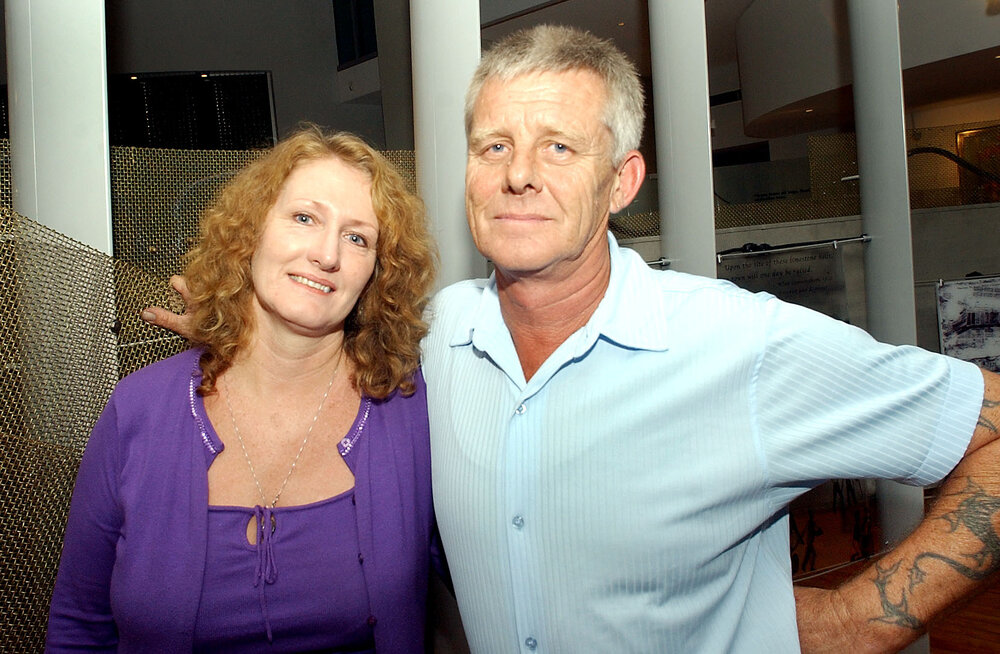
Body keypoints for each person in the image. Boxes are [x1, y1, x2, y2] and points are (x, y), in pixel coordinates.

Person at [145, 25, 1000, 653]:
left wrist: (861, 619)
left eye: (559, 146)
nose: (519, 173)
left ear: (621, 181)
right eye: (495, 145)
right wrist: (246, 335)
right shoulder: (432, 340)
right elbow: (321, 359)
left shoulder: (736, 341)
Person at [47, 125, 438, 652]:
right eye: (304, 217)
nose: (327, 254)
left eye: (357, 237)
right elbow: (80, 625)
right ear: (251, 232)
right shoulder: (138, 410)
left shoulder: (412, 411)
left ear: (377, 273)